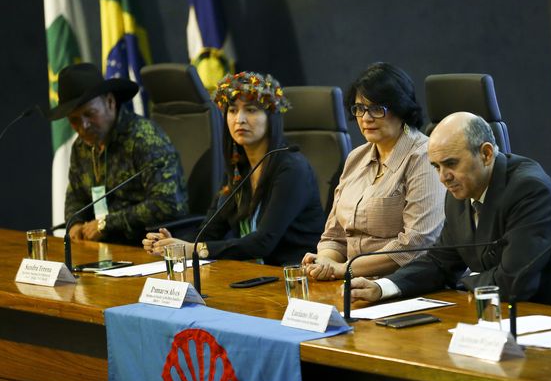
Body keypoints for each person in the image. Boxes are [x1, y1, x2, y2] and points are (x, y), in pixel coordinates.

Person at [349, 112, 551, 313]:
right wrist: (382, 287)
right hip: (512, 317)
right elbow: (440, 262)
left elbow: (513, 283)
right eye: (436, 166)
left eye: (451, 164)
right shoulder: (459, 194)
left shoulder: (529, 190)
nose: (442, 178)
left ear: (486, 154)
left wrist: (467, 279)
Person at [143, 71, 324, 265]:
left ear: (271, 116)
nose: (240, 119)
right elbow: (211, 230)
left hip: (294, 277)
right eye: (232, 110)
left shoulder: (292, 169)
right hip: (253, 276)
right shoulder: (239, 168)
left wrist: (194, 249)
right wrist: (172, 243)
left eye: (251, 110)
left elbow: (263, 242)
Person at [302, 62, 445, 280]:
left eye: (377, 109)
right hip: (350, 282)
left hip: (403, 283)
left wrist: (345, 268)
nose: (366, 118)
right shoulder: (355, 157)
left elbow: (417, 244)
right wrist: (326, 261)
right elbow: (334, 235)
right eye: (360, 108)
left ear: (401, 109)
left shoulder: (423, 156)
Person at [47, 63, 188, 245]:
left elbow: (168, 203)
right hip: (103, 247)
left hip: (147, 245)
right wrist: (75, 224)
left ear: (110, 103)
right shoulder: (81, 147)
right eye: (74, 120)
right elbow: (76, 196)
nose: (84, 126)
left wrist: (107, 224)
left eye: (90, 114)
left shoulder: (144, 138)